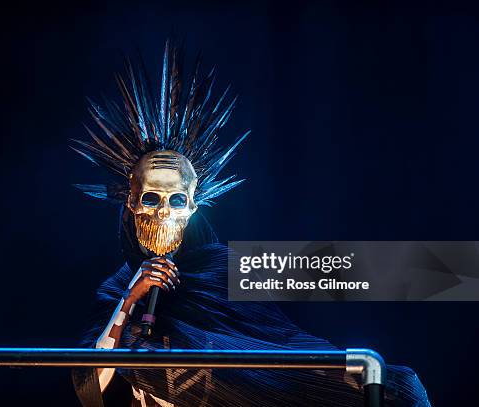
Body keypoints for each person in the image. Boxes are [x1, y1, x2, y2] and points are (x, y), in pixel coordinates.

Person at [71, 41, 431, 407]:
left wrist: (442, 271)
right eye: (151, 198)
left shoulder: (225, 267)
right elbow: (92, 384)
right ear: (131, 202)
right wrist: (131, 298)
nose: (164, 212)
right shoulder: (117, 288)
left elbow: (309, 306)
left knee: (398, 387)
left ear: (193, 206)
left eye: (177, 199)